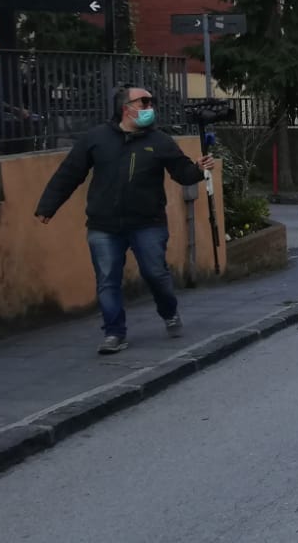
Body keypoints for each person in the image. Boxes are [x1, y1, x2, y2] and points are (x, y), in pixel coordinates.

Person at [34, 86, 217, 355]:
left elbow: (182, 173)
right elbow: (69, 173)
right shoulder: (96, 138)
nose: (149, 107)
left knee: (156, 273)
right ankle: (114, 333)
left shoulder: (160, 140)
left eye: (150, 103)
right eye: (143, 103)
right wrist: (48, 206)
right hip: (104, 225)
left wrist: (199, 170)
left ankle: (169, 311)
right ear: (125, 108)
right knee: (107, 280)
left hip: (148, 222)